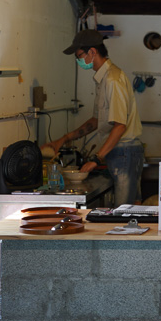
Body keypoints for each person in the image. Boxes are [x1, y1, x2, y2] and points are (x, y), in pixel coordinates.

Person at [45, 28, 144, 205]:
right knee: (128, 207)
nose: (78, 61)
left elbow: (120, 126)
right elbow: (96, 121)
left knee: (124, 211)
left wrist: (96, 159)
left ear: (92, 52)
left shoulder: (113, 79)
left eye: (79, 55)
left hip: (125, 151)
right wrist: (65, 139)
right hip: (118, 151)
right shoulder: (103, 79)